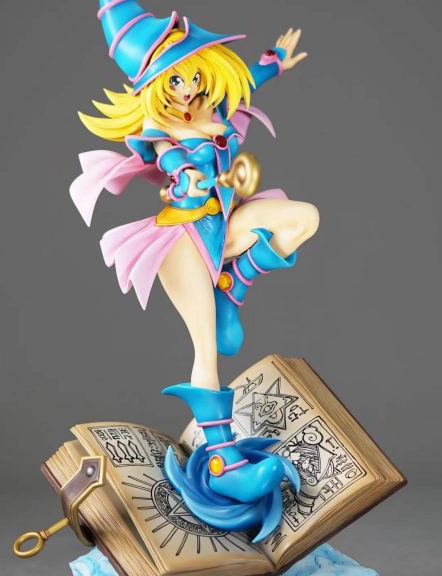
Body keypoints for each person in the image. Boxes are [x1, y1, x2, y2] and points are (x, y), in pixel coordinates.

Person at [70, 0, 319, 540]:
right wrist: (185, 174)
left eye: (192, 74)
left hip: (220, 228)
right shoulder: (160, 130)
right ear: (155, 86)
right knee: (207, 353)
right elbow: (171, 160)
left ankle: (232, 285)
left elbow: (246, 81)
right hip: (181, 240)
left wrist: (274, 61)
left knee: (302, 219)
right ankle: (226, 467)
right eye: (173, 79)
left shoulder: (218, 107)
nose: (186, 89)